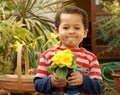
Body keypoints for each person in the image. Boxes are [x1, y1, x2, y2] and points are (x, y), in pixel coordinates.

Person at [34, 6, 104, 95]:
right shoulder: (47, 55)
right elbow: (37, 84)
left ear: (85, 33)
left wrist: (83, 81)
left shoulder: (91, 58)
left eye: (77, 28)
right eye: (66, 28)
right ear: (57, 32)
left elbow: (99, 88)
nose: (71, 31)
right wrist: (51, 82)